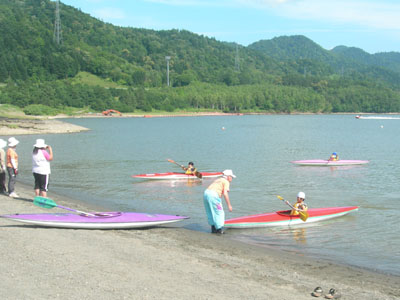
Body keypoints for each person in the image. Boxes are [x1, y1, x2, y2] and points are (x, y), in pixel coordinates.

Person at [203, 169, 236, 234]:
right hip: (213, 195)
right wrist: (229, 205)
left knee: (210, 211)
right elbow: (225, 194)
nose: (232, 179)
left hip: (206, 193)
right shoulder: (226, 181)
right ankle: (219, 230)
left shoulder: (218, 179)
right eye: (231, 177)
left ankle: (213, 229)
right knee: (219, 213)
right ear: (228, 176)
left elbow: (218, 188)